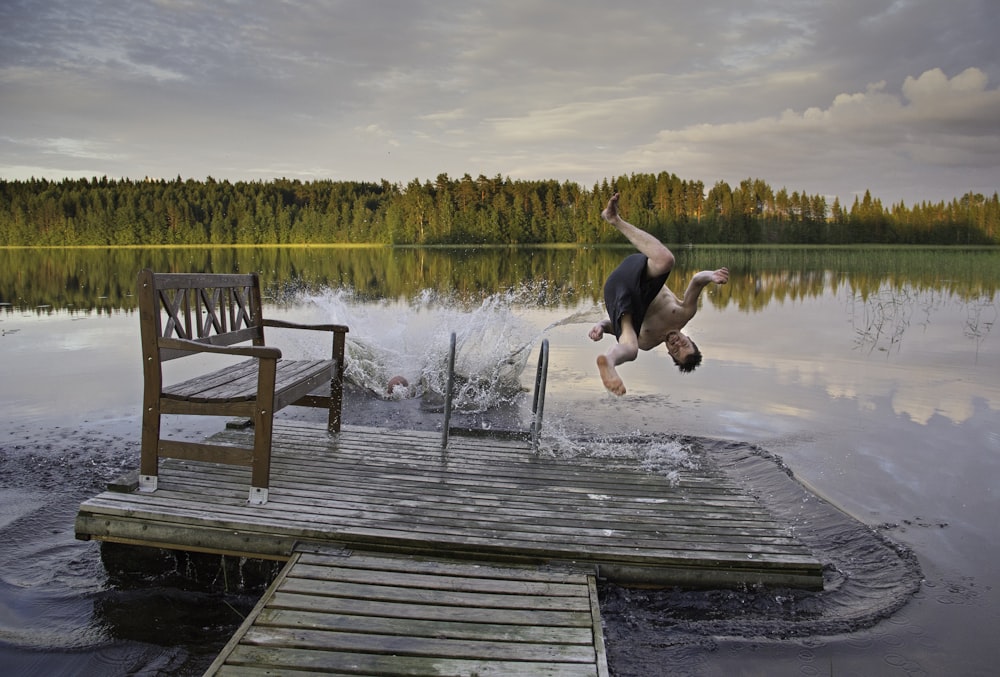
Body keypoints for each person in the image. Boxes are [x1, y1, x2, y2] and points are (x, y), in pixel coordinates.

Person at [589, 192, 729, 396]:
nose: (676, 344)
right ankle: (614, 219)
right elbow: (697, 280)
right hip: (635, 274)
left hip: (615, 292)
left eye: (675, 350)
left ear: (669, 353)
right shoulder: (685, 313)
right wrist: (712, 276)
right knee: (666, 260)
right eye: (684, 344)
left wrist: (600, 327)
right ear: (689, 339)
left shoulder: (647, 341)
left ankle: (608, 362)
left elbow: (614, 325)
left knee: (632, 348)